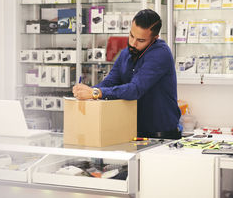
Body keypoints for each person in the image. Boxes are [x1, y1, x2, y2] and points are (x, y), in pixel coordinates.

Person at [72, 9, 181, 139]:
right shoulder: (126, 53)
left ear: (154, 39)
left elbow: (134, 89)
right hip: (134, 133)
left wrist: (96, 93)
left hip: (161, 136)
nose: (133, 43)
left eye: (141, 40)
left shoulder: (160, 54)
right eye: (131, 36)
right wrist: (88, 91)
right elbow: (110, 81)